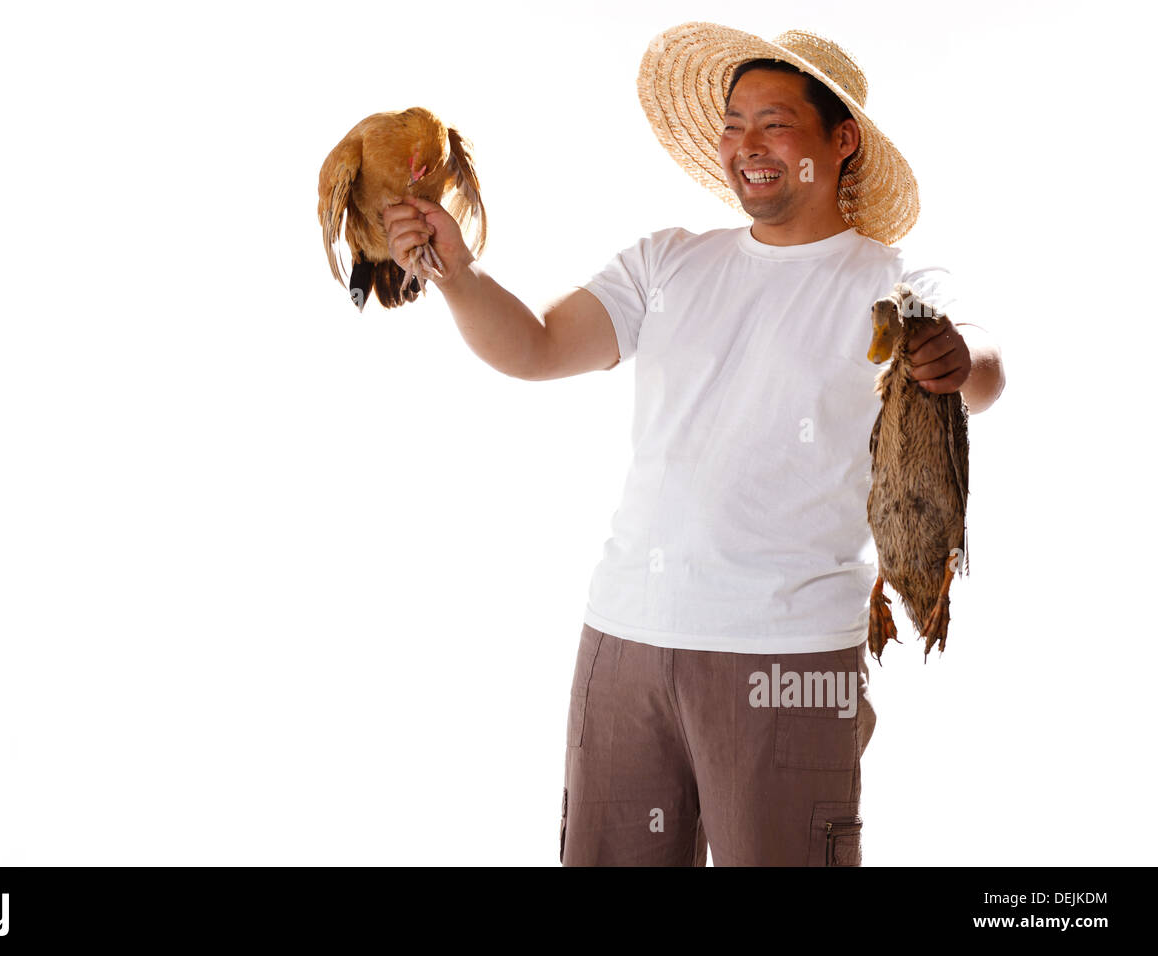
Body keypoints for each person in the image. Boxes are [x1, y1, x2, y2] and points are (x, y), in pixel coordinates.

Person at [382, 24, 1005, 866]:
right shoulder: (666, 262)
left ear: (839, 141)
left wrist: (958, 360)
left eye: (776, 122)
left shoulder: (887, 280)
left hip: (787, 656)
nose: (747, 145)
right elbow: (533, 347)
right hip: (624, 641)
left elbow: (984, 367)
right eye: (733, 121)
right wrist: (457, 274)